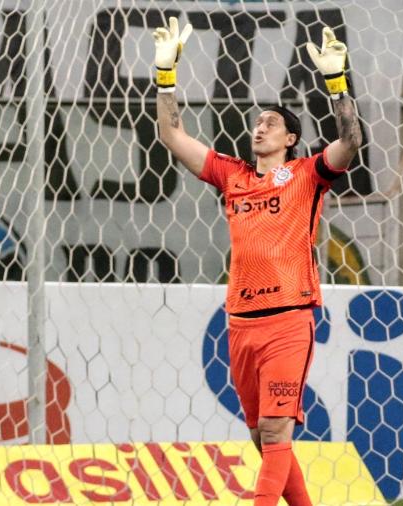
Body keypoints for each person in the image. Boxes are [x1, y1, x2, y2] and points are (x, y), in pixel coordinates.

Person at [153, 18, 363, 506]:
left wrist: (338, 84)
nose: (260, 126)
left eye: (271, 122)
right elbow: (170, 133)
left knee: (275, 429)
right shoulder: (232, 176)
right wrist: (166, 74)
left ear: (291, 139)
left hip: (289, 317)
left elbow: (351, 142)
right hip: (241, 323)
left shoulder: (308, 174)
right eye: (256, 122)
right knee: (263, 440)